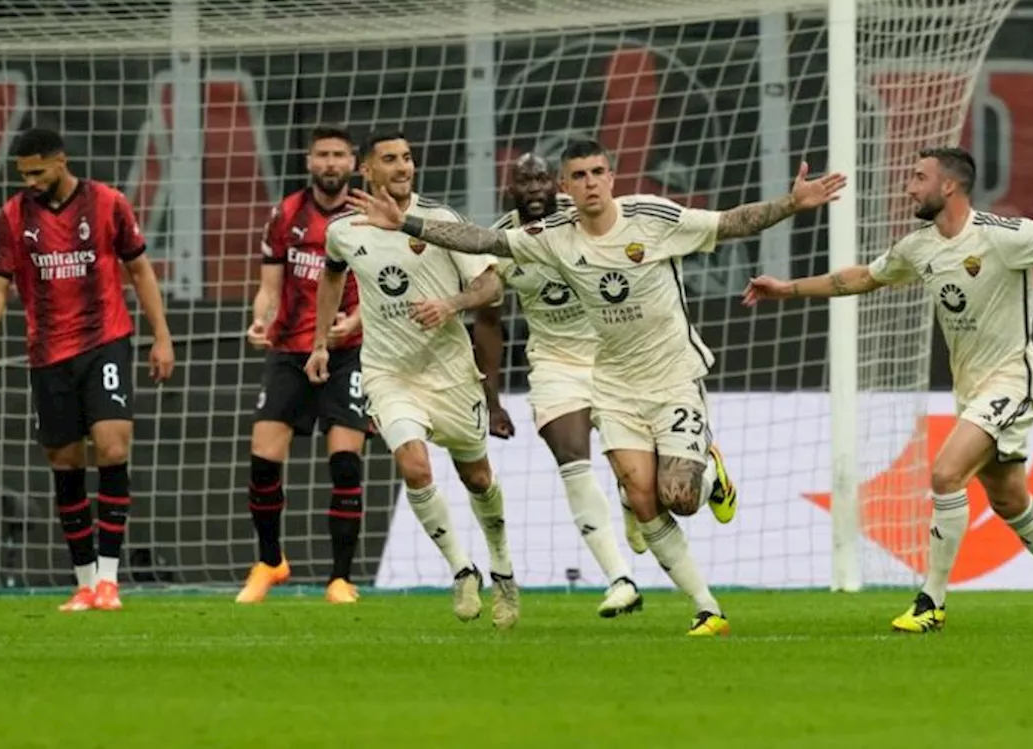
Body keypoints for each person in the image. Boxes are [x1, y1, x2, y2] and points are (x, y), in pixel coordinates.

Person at [350, 138, 846, 635]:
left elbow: (728, 222)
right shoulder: (551, 236)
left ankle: (709, 473)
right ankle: (705, 607)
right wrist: (406, 223)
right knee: (639, 493)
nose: (589, 183)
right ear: (568, 186)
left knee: (679, 496)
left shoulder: (651, 217)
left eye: (597, 173)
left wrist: (790, 204)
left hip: (673, 374)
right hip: (611, 382)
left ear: (611, 177)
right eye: (579, 176)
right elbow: (486, 243)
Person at [742, 146, 1033, 633]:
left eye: (918, 177)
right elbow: (863, 277)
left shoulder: (1001, 235)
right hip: (971, 390)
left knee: (946, 473)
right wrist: (789, 289)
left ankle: (931, 602)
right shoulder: (919, 247)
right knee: (1009, 500)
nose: (908, 186)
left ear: (949, 186)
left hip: (1014, 380)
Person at [305, 130, 520, 628]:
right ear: (367, 170)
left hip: (449, 374)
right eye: (390, 160)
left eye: (407, 159)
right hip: (389, 373)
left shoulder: (440, 222)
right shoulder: (345, 231)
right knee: (416, 468)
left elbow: (490, 285)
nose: (403, 167)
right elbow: (333, 274)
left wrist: (451, 304)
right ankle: (462, 570)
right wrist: (320, 341)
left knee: (478, 477)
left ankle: (503, 569)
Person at [0, 127, 176, 612]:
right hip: (47, 353)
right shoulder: (14, 215)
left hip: (105, 341)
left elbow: (140, 270)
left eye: (38, 171)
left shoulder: (108, 203)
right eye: (24, 174)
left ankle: (109, 580)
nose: (31, 181)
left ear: (61, 161)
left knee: (112, 445)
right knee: (65, 463)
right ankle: (85, 583)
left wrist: (161, 336)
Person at [470, 154, 641, 618]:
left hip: (614, 354)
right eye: (524, 180)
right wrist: (493, 400)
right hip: (554, 363)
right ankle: (620, 579)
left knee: (643, 478)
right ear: (511, 189)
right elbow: (488, 323)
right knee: (572, 458)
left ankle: (634, 501)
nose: (534, 187)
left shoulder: (587, 216)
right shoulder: (500, 241)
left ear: (557, 184)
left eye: (542, 178)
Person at [236, 125, 369, 606]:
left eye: (339, 155)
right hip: (290, 350)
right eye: (322, 155)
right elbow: (270, 287)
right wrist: (259, 321)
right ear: (309, 161)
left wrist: (353, 319)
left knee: (345, 463)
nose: (330, 163)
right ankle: (271, 561)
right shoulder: (286, 214)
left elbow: (383, 284)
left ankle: (339, 578)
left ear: (353, 162)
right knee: (263, 457)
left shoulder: (368, 217)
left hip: (348, 350)